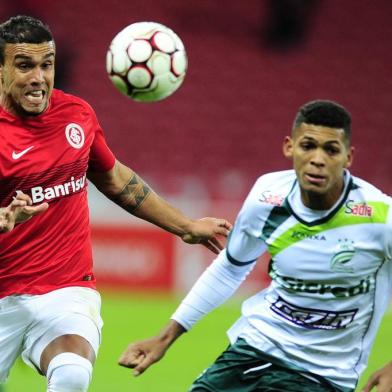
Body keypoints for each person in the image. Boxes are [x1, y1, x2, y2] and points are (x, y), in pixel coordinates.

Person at [0, 15, 232, 391]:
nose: (38, 78)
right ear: (1, 69)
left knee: (72, 373)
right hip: (3, 293)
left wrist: (185, 226)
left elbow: (115, 179)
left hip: (65, 289)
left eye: (47, 65)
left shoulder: (76, 116)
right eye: (24, 66)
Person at [119, 100, 392, 392]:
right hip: (253, 351)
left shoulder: (379, 217)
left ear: (348, 157)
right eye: (308, 145)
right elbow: (229, 268)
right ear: (289, 147)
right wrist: (165, 338)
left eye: (331, 150)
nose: (317, 159)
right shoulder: (267, 196)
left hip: (322, 376)